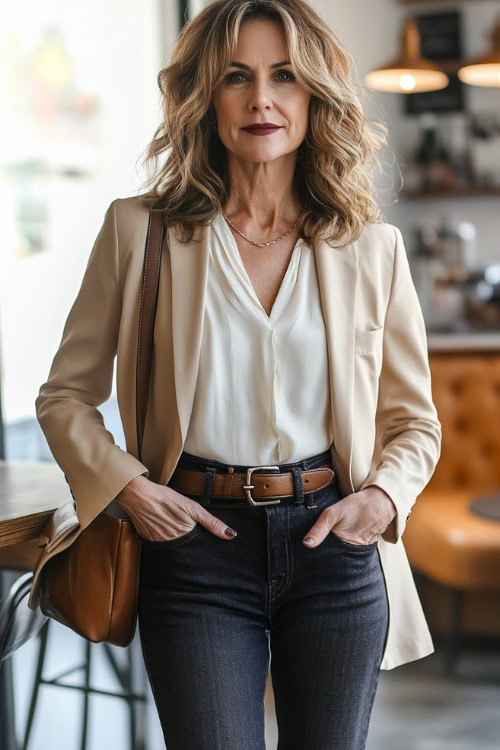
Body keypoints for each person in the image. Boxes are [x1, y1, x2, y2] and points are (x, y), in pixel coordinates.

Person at [30, 1, 442, 748]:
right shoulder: (140, 232)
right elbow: (64, 397)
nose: (262, 99)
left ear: (314, 95)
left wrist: (384, 496)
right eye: (236, 77)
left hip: (334, 547)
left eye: (284, 76)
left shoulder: (370, 248)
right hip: (194, 551)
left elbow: (414, 422)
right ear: (204, 97)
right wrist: (127, 484)